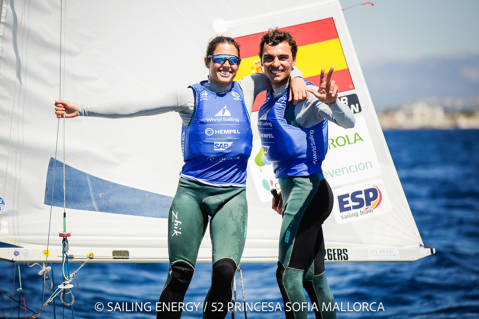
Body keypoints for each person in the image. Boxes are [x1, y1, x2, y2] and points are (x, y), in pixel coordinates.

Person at [54, 35, 307, 319]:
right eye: (220, 59)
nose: (226, 65)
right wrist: (84, 109)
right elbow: (137, 106)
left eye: (233, 60)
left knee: (224, 272)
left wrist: (297, 76)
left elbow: (281, 71)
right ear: (207, 61)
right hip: (192, 194)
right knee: (180, 274)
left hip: (231, 196)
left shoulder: (247, 87)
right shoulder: (189, 96)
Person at [257, 29, 355, 319]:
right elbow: (281, 154)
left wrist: (333, 101)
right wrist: (279, 193)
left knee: (288, 277)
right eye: (269, 58)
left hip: (310, 193)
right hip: (295, 193)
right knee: (313, 277)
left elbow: (348, 122)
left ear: (294, 59)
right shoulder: (268, 94)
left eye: (284, 58)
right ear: (261, 62)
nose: (276, 63)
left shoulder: (306, 97)